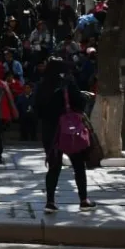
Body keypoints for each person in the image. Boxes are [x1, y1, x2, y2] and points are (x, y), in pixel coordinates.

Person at [35, 57, 96, 213]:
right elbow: (79, 102)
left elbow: (37, 109)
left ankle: (50, 202)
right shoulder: (68, 82)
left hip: (50, 130)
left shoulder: (42, 85)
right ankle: (83, 200)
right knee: (78, 165)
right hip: (70, 129)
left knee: (54, 166)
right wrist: (85, 96)